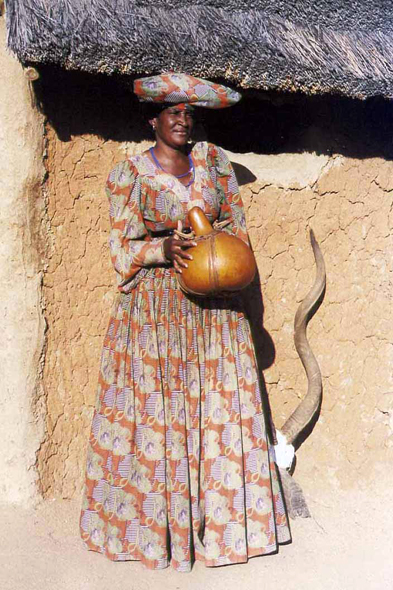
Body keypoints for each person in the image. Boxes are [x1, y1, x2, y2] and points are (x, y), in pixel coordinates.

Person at [80, 73, 291, 571]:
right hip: (154, 315)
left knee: (218, 407)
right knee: (160, 415)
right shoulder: (128, 175)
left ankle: (219, 528)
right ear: (152, 120)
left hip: (217, 313)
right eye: (171, 111)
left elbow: (237, 228)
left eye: (188, 112)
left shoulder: (215, 166)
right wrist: (164, 248)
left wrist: (219, 252)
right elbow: (119, 251)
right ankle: (160, 532)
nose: (181, 119)